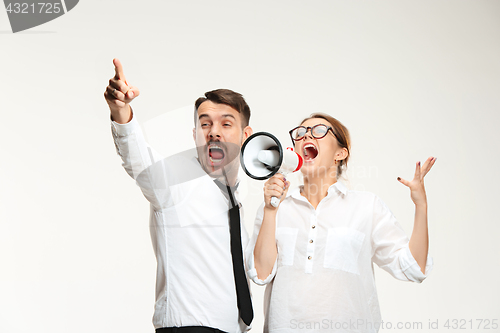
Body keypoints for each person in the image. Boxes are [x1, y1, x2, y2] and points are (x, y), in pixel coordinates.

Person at [245, 113, 435, 332]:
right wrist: (270, 209)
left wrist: (421, 206)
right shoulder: (275, 207)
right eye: (300, 133)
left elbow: (414, 268)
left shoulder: (366, 206)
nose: (307, 135)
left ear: (340, 153)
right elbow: (260, 274)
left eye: (318, 131)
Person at [104, 58, 254, 333]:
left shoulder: (234, 196)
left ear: (245, 135)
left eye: (226, 124)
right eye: (205, 124)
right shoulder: (175, 181)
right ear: (195, 134)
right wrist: (121, 112)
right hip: (189, 328)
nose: (214, 132)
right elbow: (138, 160)